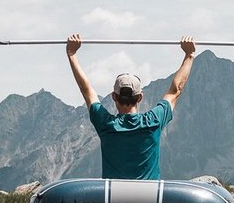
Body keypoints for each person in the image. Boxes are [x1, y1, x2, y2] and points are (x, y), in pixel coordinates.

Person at [66, 34, 196, 181]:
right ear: (140, 98)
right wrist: (189, 55)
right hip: (149, 201)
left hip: (113, 200)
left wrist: (72, 54)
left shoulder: (105, 124)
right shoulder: (154, 121)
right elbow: (176, 90)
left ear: (113, 96)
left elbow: (86, 89)